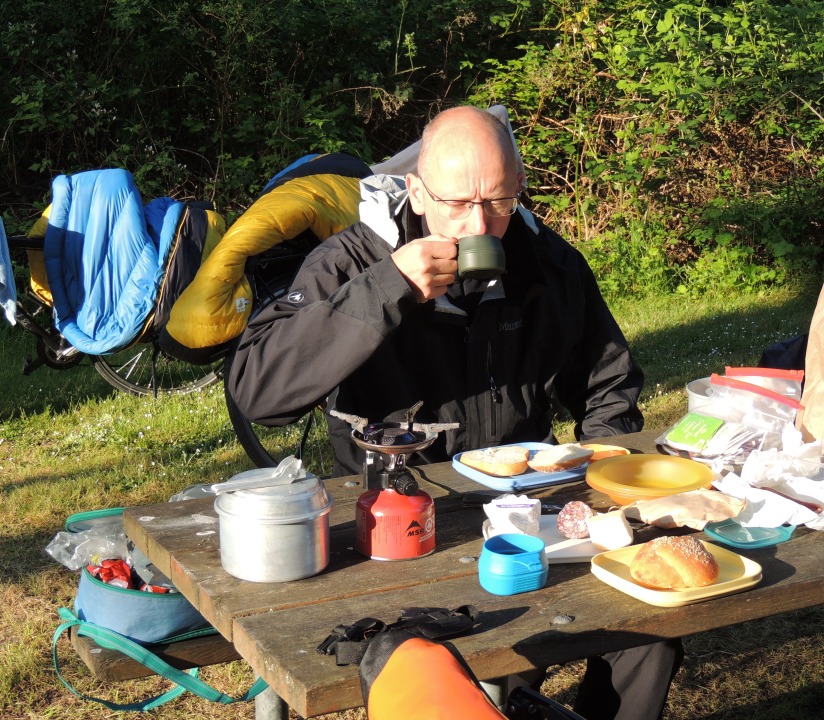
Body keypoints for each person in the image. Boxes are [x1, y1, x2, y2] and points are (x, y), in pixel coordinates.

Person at [228, 106, 682, 720]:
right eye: (458, 204)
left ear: (519, 186)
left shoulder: (549, 265)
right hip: (393, 535)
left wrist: (605, 488)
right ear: (417, 192)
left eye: (498, 201)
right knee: (460, 680)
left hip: (524, 520)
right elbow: (259, 393)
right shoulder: (351, 263)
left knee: (652, 629)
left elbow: (609, 386)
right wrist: (388, 288)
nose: (479, 225)